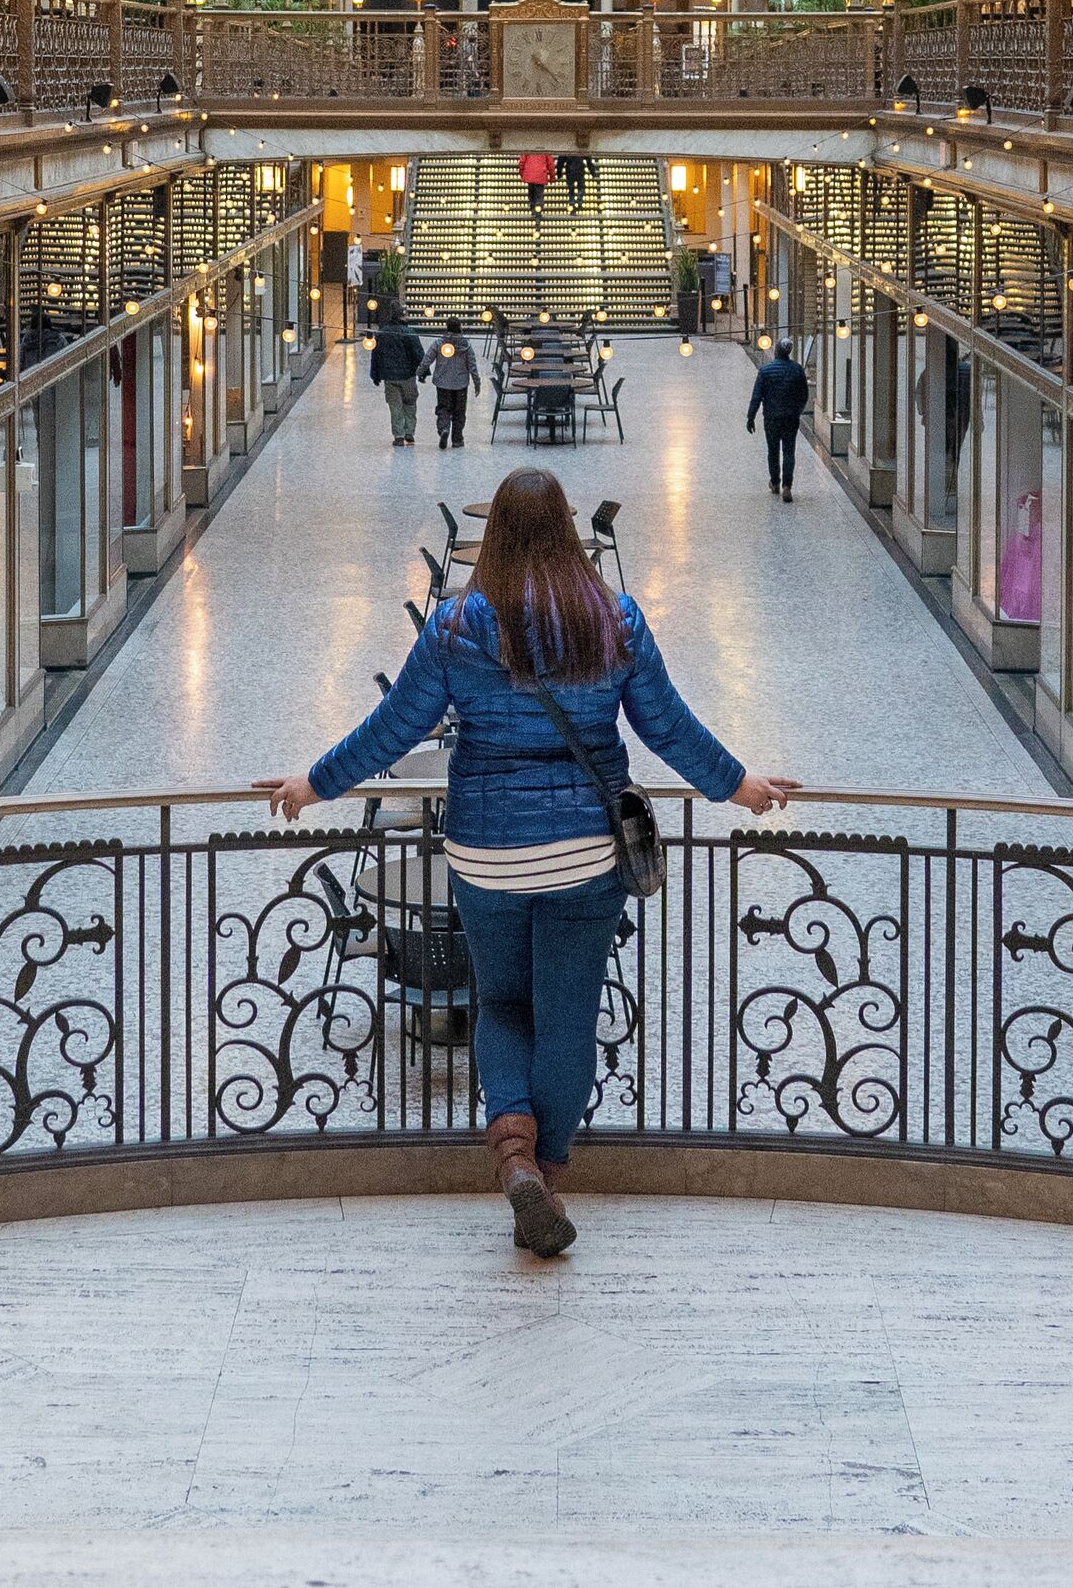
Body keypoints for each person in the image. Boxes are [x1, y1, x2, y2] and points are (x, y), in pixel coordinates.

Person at [264, 471, 795, 1255]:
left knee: (502, 1003)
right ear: (570, 533)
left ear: (499, 536)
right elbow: (668, 728)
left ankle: (511, 1149)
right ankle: (545, 1172)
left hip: (486, 852)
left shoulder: (453, 628)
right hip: (586, 852)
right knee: (568, 1015)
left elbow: (393, 729)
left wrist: (314, 783)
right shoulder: (613, 619)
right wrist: (738, 786)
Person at [745, 337, 811, 499]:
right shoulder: (797, 370)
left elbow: (757, 397)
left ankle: (775, 483)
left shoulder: (766, 371)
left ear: (776, 351)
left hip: (772, 418)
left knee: (773, 451)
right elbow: (804, 395)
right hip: (791, 418)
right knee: (789, 451)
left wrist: (750, 417)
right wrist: (798, 411)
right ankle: (787, 486)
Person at [369, 308, 426, 448]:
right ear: (402, 317)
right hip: (408, 376)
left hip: (390, 376)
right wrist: (423, 372)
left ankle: (398, 436)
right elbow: (418, 353)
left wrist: (375, 374)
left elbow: (376, 355)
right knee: (410, 404)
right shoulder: (409, 333)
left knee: (395, 407)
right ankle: (410, 432)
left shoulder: (383, 333)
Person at [431, 326, 473, 450]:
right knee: (459, 411)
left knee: (443, 407)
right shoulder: (466, 345)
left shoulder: (439, 343)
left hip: (443, 383)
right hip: (461, 384)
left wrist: (421, 372)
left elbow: (428, 358)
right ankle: (457, 439)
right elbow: (472, 364)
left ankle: (444, 428)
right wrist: (477, 382)